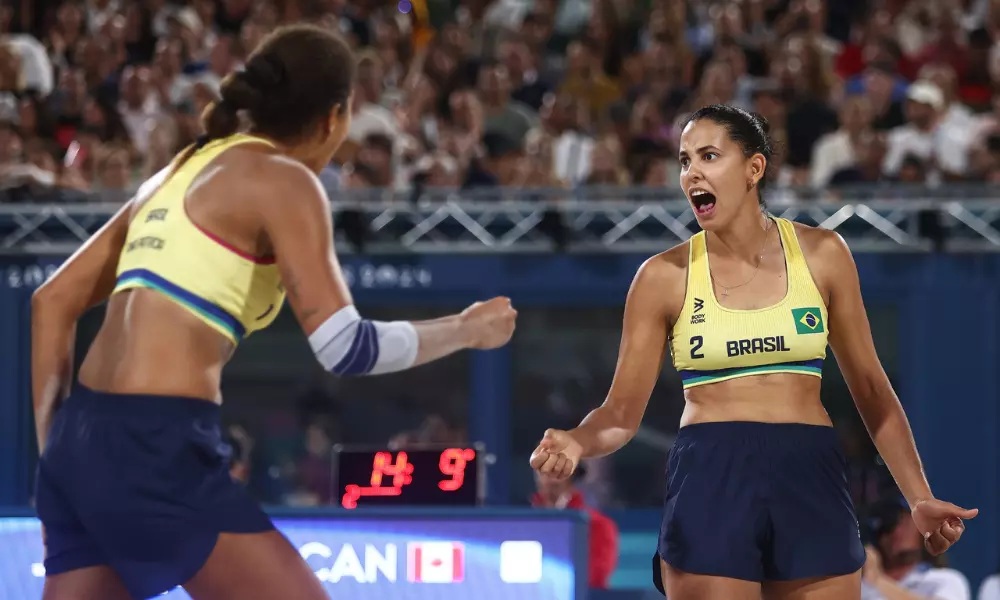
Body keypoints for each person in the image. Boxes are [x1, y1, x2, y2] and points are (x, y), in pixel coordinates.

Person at [31, 24, 517, 600]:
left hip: (78, 440)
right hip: (156, 442)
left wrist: (60, 449)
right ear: (335, 118)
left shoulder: (181, 168)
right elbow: (347, 347)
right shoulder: (286, 181)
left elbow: (51, 301)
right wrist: (466, 329)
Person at [529, 104, 977, 600]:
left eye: (709, 155)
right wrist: (576, 441)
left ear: (754, 168)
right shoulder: (661, 278)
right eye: (684, 160)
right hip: (712, 474)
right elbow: (619, 413)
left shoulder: (823, 255)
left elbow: (872, 392)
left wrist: (919, 498)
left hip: (811, 472)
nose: (691, 172)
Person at [860, 497, 971, 600]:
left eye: (905, 523)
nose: (897, 532)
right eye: (891, 525)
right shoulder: (860, 586)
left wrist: (878, 580)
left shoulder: (945, 580)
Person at [530, 463, 619, 589]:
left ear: (572, 474)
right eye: (542, 469)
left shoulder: (596, 525)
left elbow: (596, 575)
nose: (549, 477)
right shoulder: (524, 525)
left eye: (557, 468)